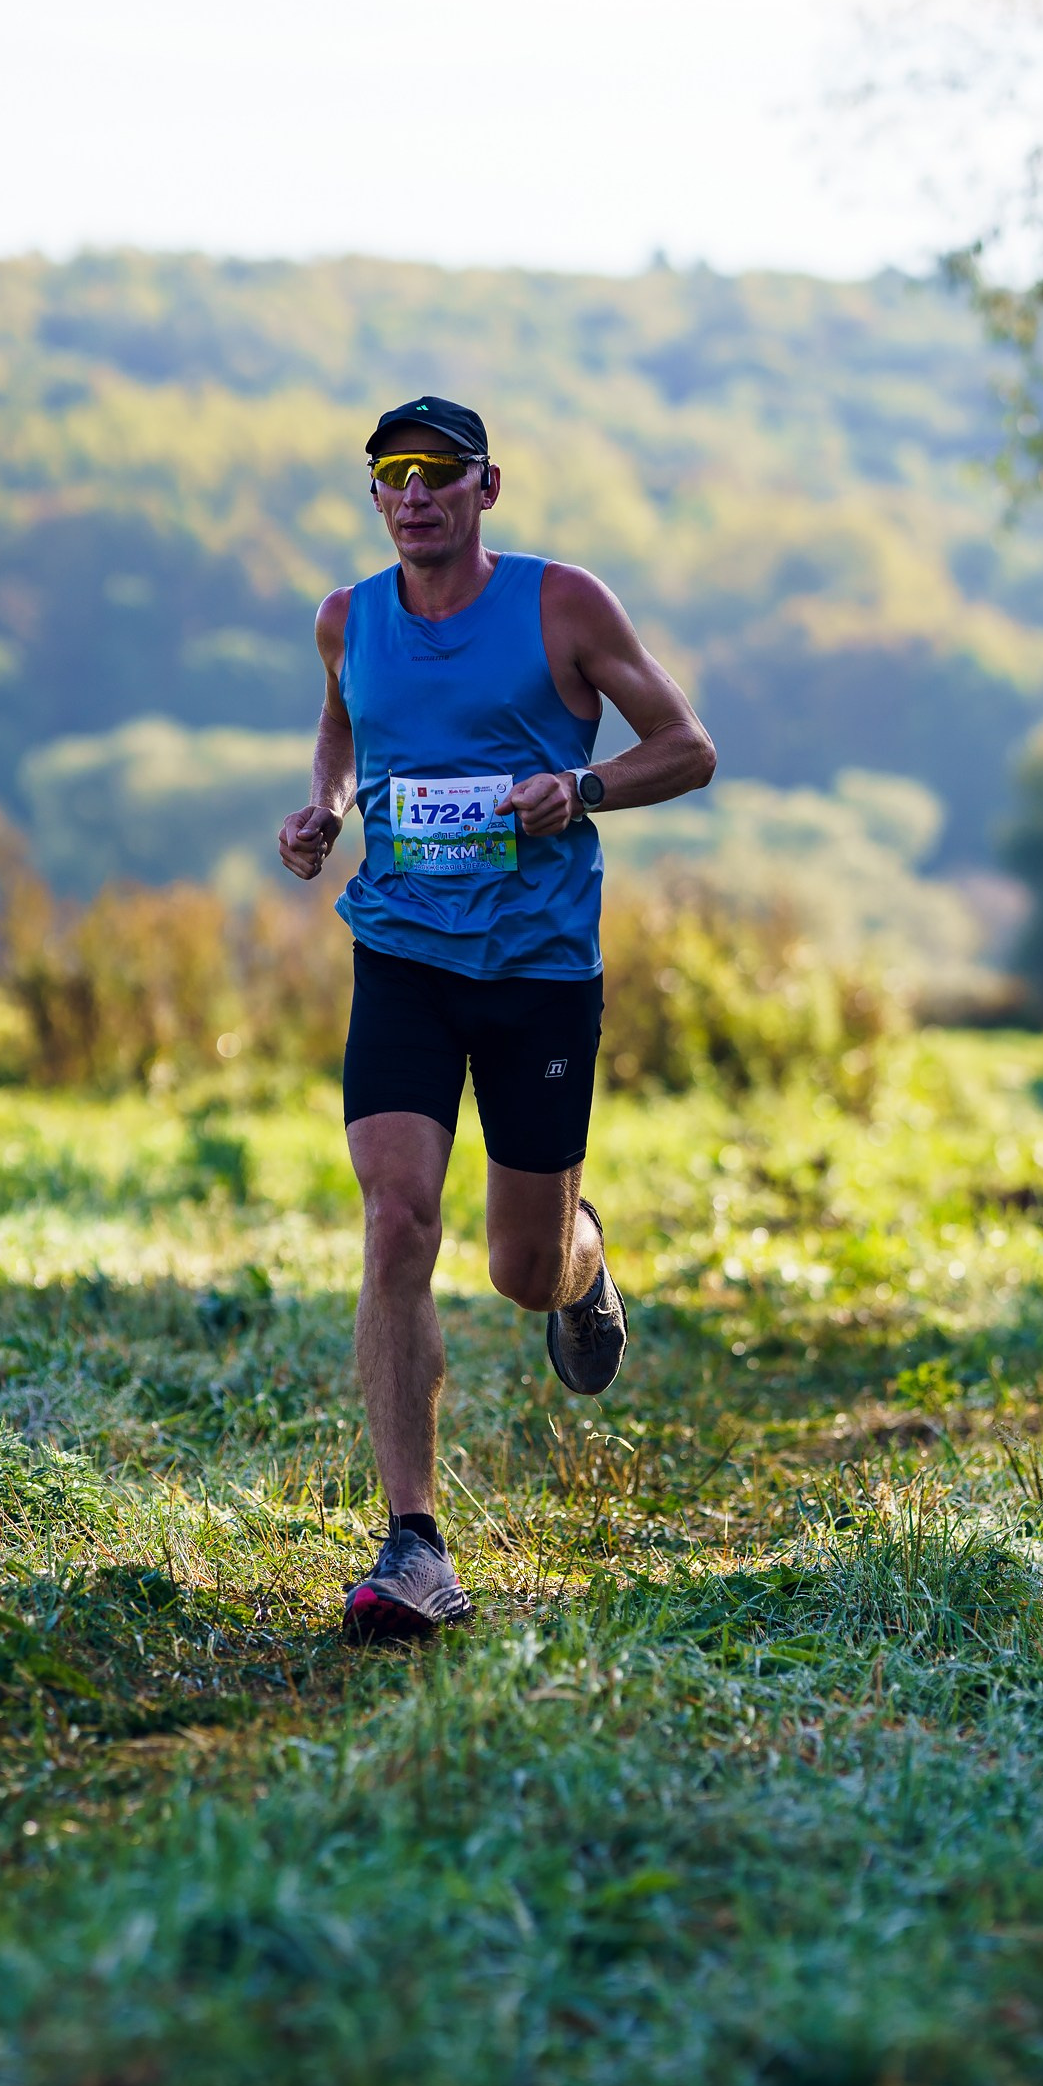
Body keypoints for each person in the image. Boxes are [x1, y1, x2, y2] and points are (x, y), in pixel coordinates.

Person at [278, 395, 717, 1642]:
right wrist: (325, 809)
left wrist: (579, 787)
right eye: (391, 474)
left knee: (519, 1272)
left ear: (486, 486)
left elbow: (687, 747)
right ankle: (413, 1543)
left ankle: (579, 1258)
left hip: (537, 970)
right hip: (401, 952)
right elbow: (342, 723)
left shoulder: (561, 604)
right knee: (395, 1216)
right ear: (375, 493)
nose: (413, 493)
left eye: (439, 472)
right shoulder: (347, 617)